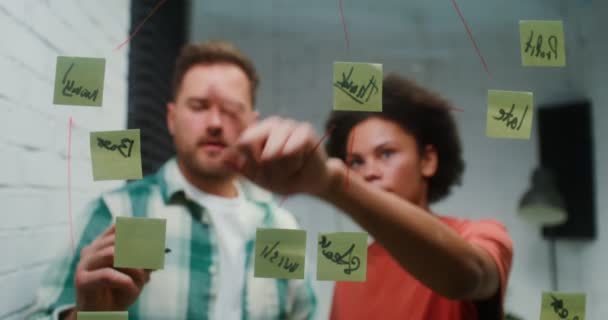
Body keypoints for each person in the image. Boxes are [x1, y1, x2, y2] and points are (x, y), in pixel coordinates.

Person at [26, 41, 316, 320]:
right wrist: (90, 316)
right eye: (199, 106)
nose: (215, 123)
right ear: (171, 118)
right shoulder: (118, 212)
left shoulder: (281, 227)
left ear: (252, 123)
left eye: (230, 109)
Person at [220, 74, 513, 320]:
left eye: (386, 153)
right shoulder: (350, 267)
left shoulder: (481, 234)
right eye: (356, 162)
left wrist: (334, 182)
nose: (370, 172)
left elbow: (467, 277)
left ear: (428, 160)